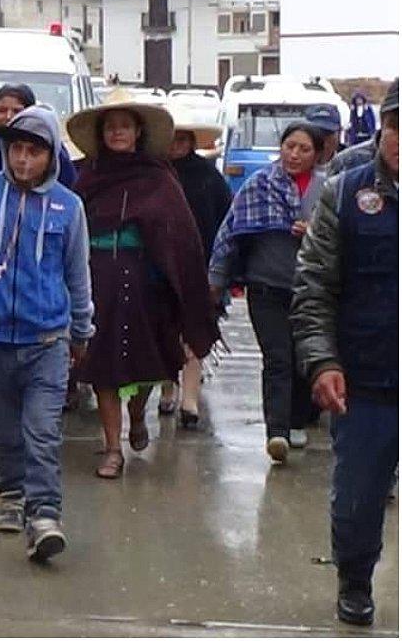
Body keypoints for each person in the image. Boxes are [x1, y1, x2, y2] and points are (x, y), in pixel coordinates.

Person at [0, 105, 93, 562]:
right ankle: (11, 494)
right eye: (17, 150)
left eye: (34, 152)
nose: (24, 160)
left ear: (51, 157)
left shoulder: (69, 207)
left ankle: (45, 515)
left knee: (43, 431)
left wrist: (81, 329)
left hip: (48, 340)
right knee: (6, 428)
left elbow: (78, 274)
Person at [291, 80, 397, 627]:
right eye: (397, 125)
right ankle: (355, 581)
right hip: (366, 380)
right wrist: (323, 361)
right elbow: (313, 285)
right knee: (358, 499)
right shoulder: (345, 192)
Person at [69, 93, 219, 479]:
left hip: (146, 286)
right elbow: (71, 230)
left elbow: (181, 237)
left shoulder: (159, 178)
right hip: (98, 281)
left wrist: (180, 284)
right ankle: (112, 448)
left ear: (138, 131)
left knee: (145, 363)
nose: (117, 132)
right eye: (110, 126)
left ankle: (137, 416)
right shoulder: (87, 177)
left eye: (125, 125)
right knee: (102, 365)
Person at [208, 120, 327, 462]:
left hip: (312, 290)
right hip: (266, 287)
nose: (295, 155)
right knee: (277, 358)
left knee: (303, 357)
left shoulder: (329, 190)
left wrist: (314, 232)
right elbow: (230, 234)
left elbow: (343, 237)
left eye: (304, 149)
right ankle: (277, 432)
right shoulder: (258, 186)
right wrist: (216, 281)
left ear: (317, 155)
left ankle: (297, 420)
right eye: (290, 146)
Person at [160, 112, 231, 429]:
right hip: (159, 268)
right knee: (164, 331)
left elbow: (225, 222)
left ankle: (189, 400)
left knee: (195, 331)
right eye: (171, 139)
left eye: (182, 139)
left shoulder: (209, 177)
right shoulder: (154, 174)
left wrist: (222, 270)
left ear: (191, 142)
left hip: (200, 267)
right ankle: (167, 388)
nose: (176, 145)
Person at [0, 84, 78, 199]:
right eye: (2, 110)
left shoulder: (52, 150)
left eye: (17, 111)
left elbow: (68, 194)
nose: (8, 116)